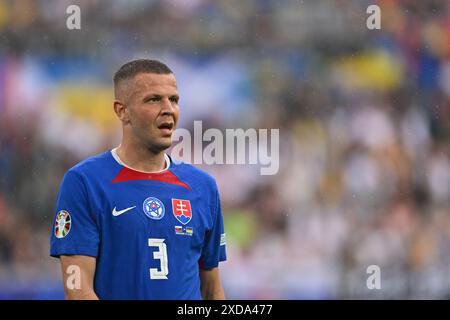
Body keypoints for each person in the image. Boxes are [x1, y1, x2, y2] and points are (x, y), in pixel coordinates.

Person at [50, 59, 227, 300]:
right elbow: (77, 289)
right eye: (154, 99)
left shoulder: (203, 187)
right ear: (122, 111)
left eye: (174, 100)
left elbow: (212, 289)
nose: (168, 109)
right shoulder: (84, 182)